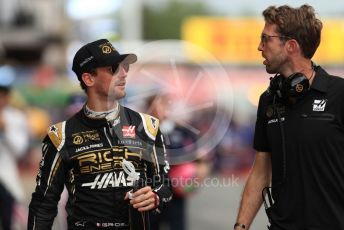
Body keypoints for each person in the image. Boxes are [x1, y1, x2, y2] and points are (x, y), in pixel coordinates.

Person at [28, 39, 172, 229]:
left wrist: (155, 196)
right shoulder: (61, 135)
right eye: (114, 68)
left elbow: (165, 185)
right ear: (89, 79)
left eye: (125, 66)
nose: (124, 73)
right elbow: (43, 203)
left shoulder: (147, 126)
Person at [234, 4, 344, 230]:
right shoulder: (268, 100)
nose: (259, 47)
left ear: (291, 46)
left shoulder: (339, 93)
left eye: (266, 39)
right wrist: (240, 227)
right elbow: (260, 172)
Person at [146, 94, 210, 230]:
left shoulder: (182, 131)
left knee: (177, 225)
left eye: (165, 105)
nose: (162, 109)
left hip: (176, 191)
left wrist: (197, 179)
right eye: (157, 105)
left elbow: (201, 160)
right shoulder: (143, 132)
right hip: (150, 192)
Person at [0, 66, 30, 230]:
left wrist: (5, 131)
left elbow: (19, 150)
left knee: (8, 220)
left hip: (6, 179)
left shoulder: (16, 118)